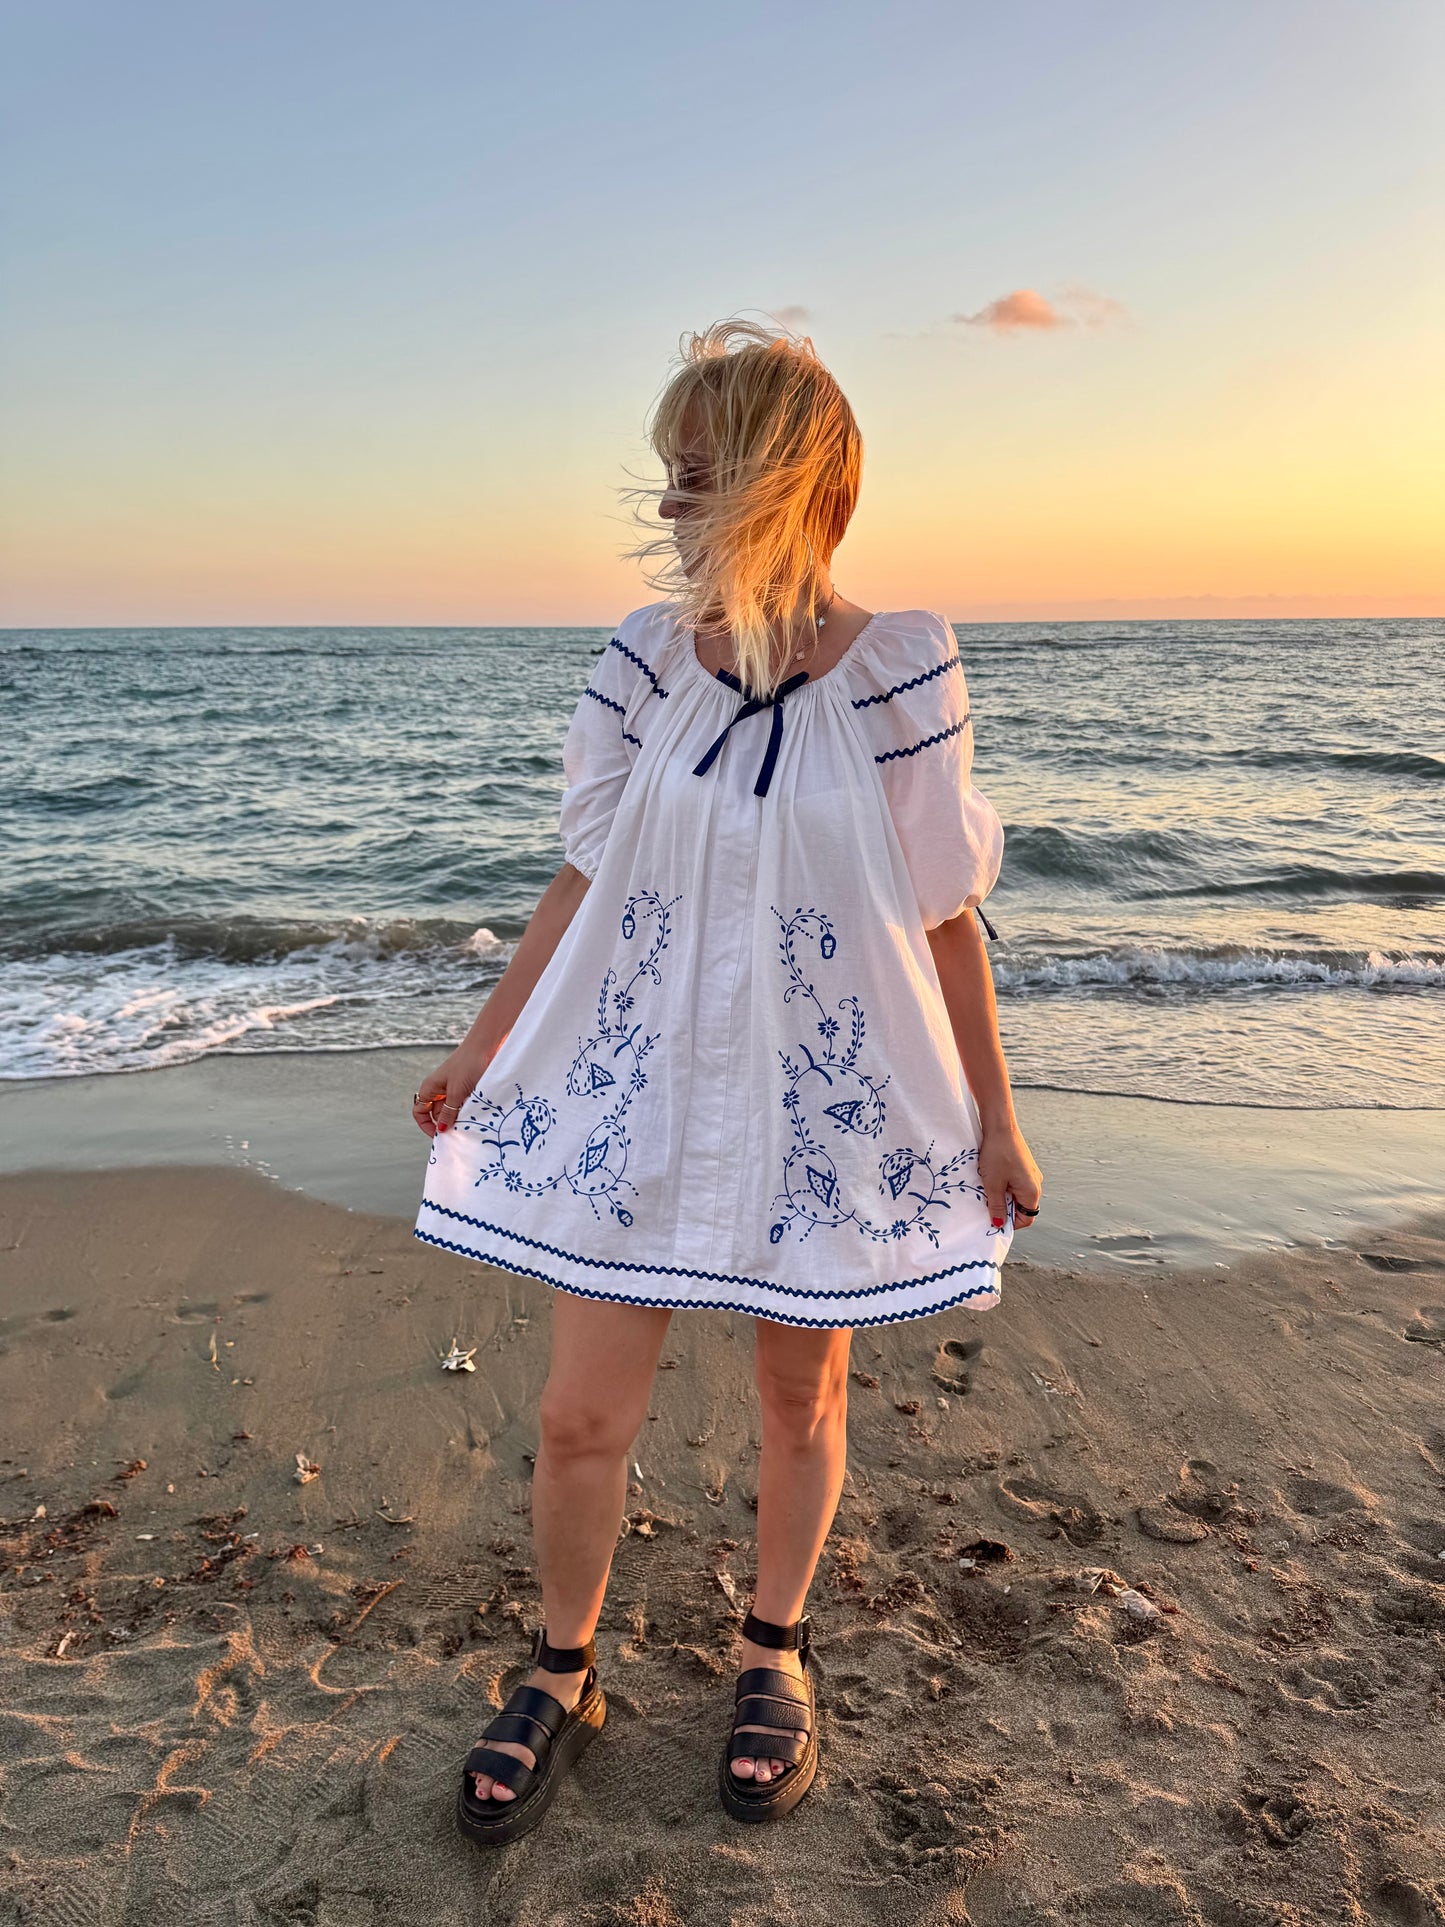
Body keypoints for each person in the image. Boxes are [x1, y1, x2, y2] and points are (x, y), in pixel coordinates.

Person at [411, 317, 1043, 1844]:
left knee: (797, 1388)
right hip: (634, 1087)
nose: (670, 507)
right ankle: (562, 1672)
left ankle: (772, 1651)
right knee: (578, 1415)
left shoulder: (901, 665)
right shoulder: (643, 659)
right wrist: (483, 1046)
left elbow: (944, 908)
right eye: (668, 478)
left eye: (697, 477)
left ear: (778, 482)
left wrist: (996, 1114)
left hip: (811, 1100)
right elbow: (584, 871)